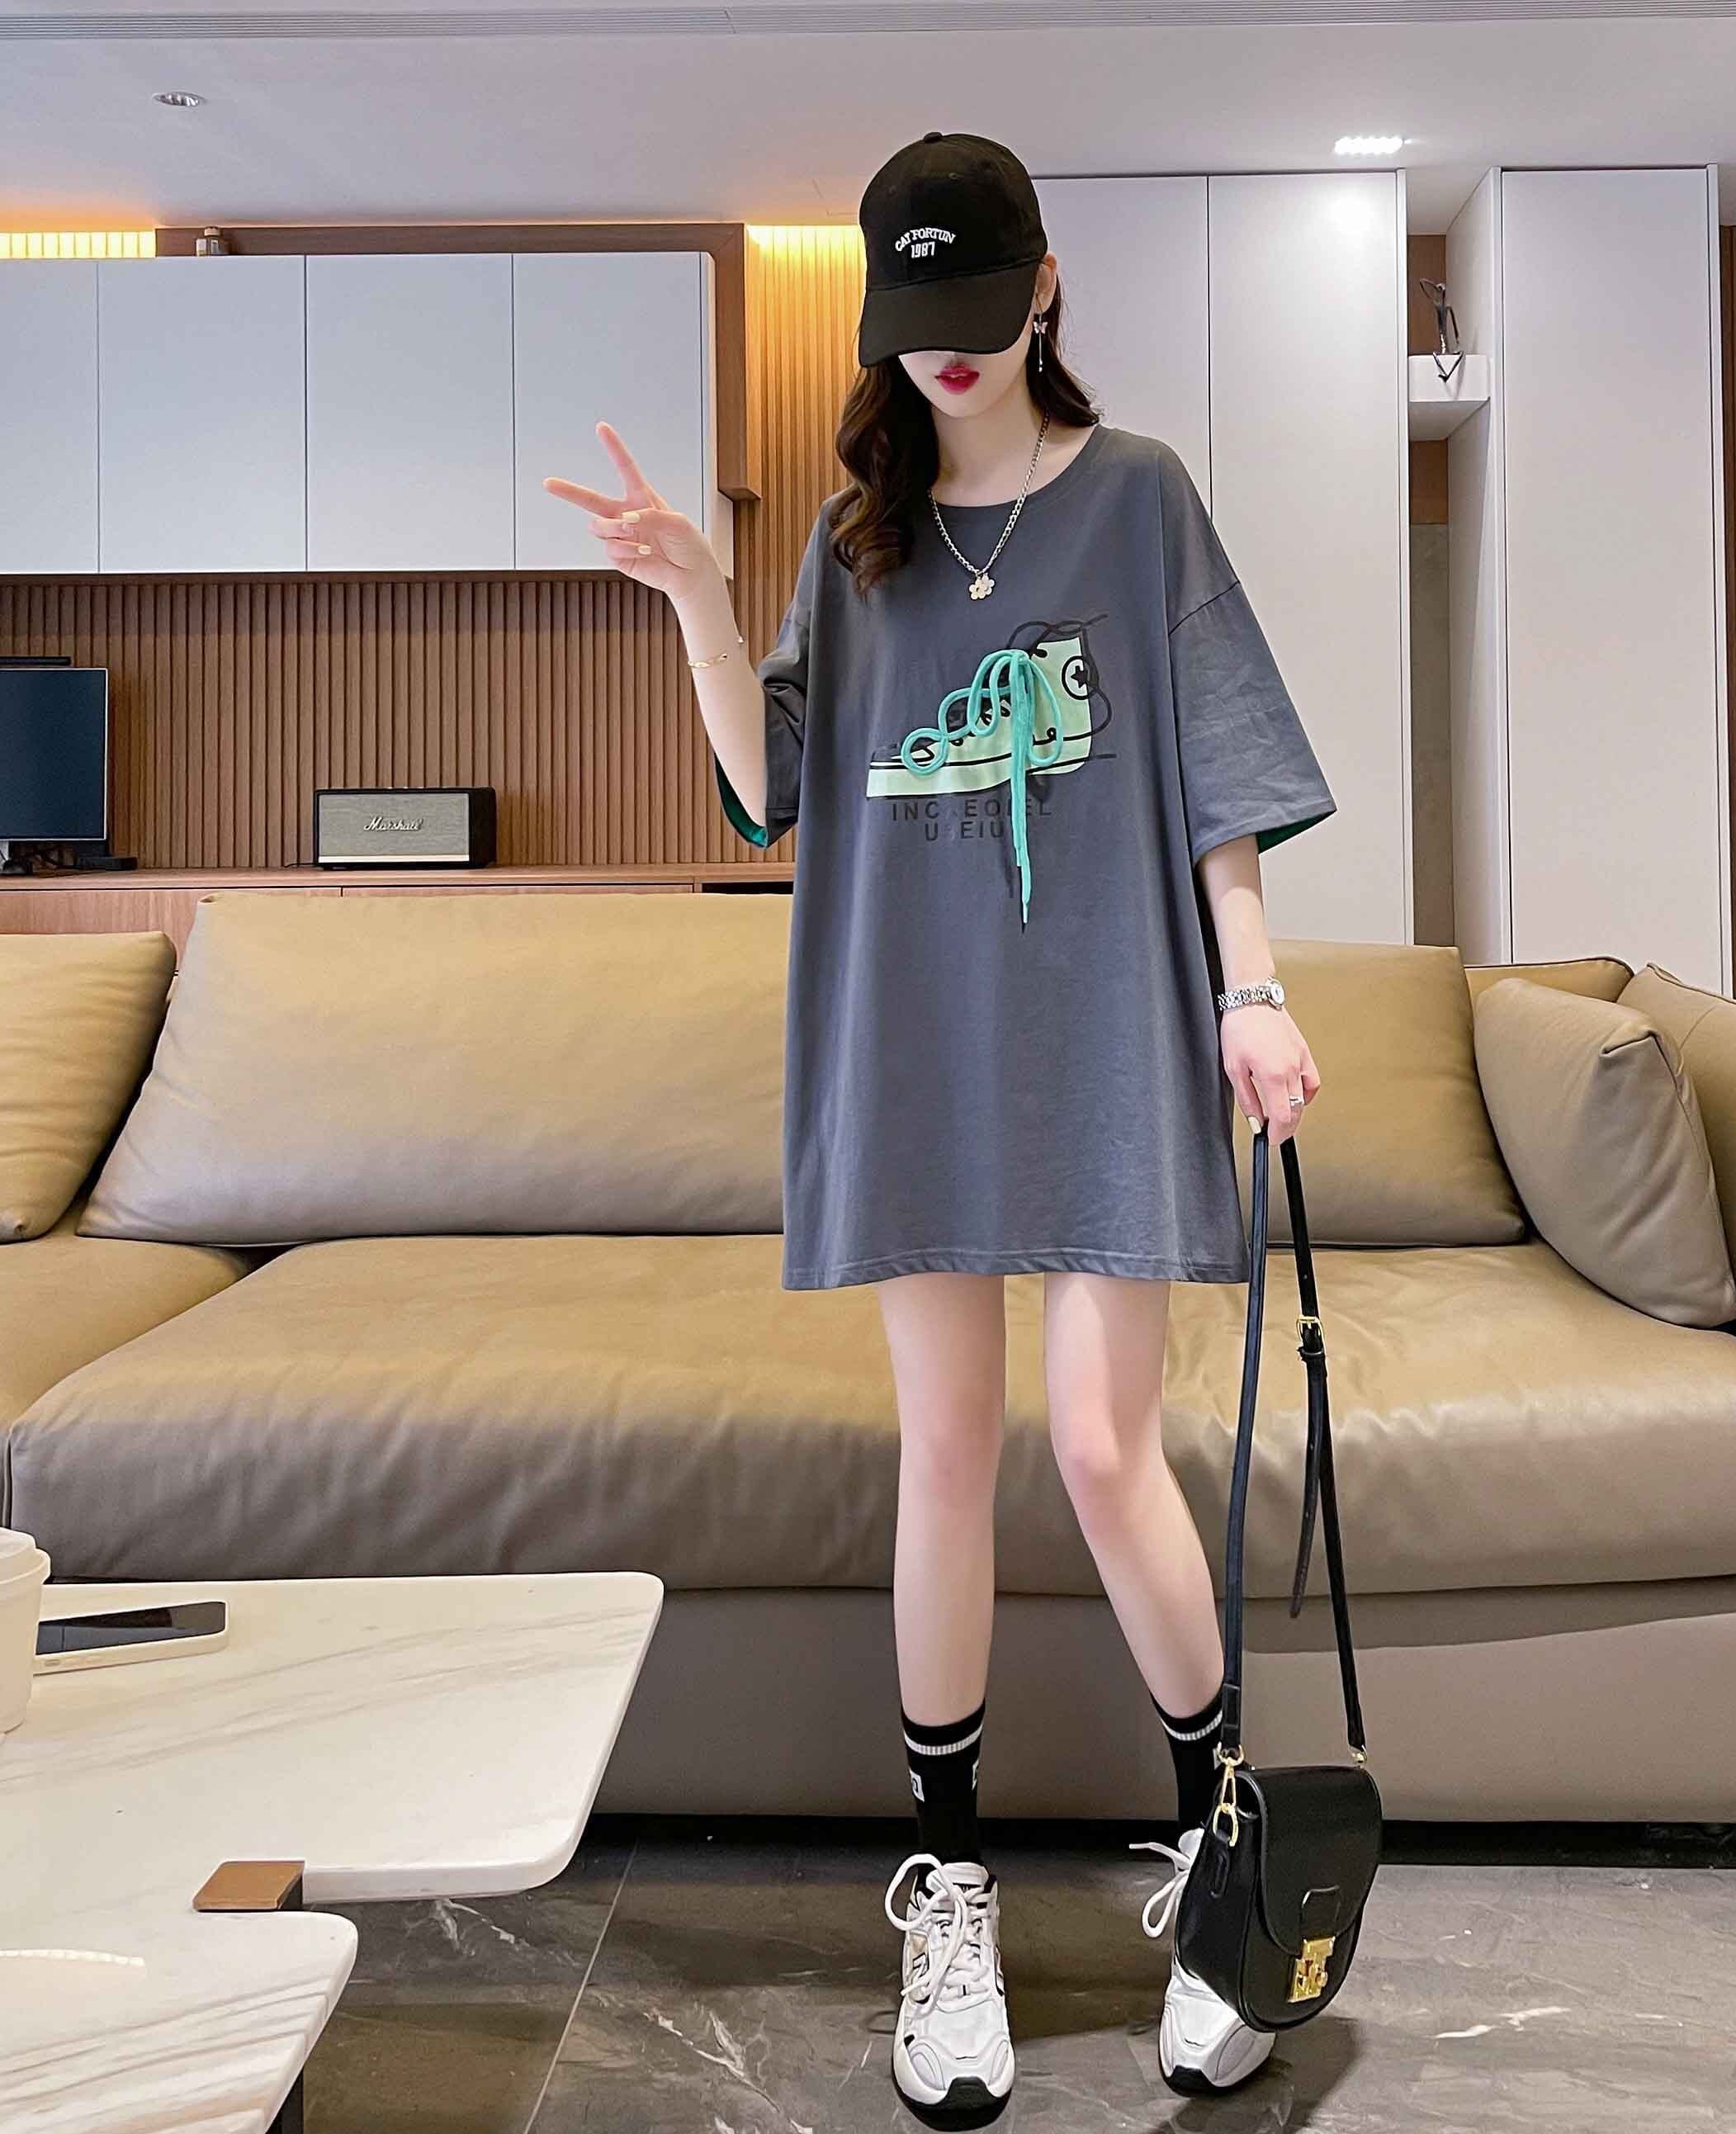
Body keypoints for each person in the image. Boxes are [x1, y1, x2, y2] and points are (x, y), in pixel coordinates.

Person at [546, 129, 1336, 2128]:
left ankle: (1221, 1862)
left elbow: (1219, 780)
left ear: (1043, 288)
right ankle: (950, 1894)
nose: (951, 354)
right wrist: (702, 599)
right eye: (920, 323)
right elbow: (768, 792)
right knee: (953, 1453)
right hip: (909, 1039)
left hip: (1106, 1032)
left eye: (982, 311)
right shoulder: (857, 542)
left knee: (1103, 1446)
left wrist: (1251, 988)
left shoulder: (1138, 498)